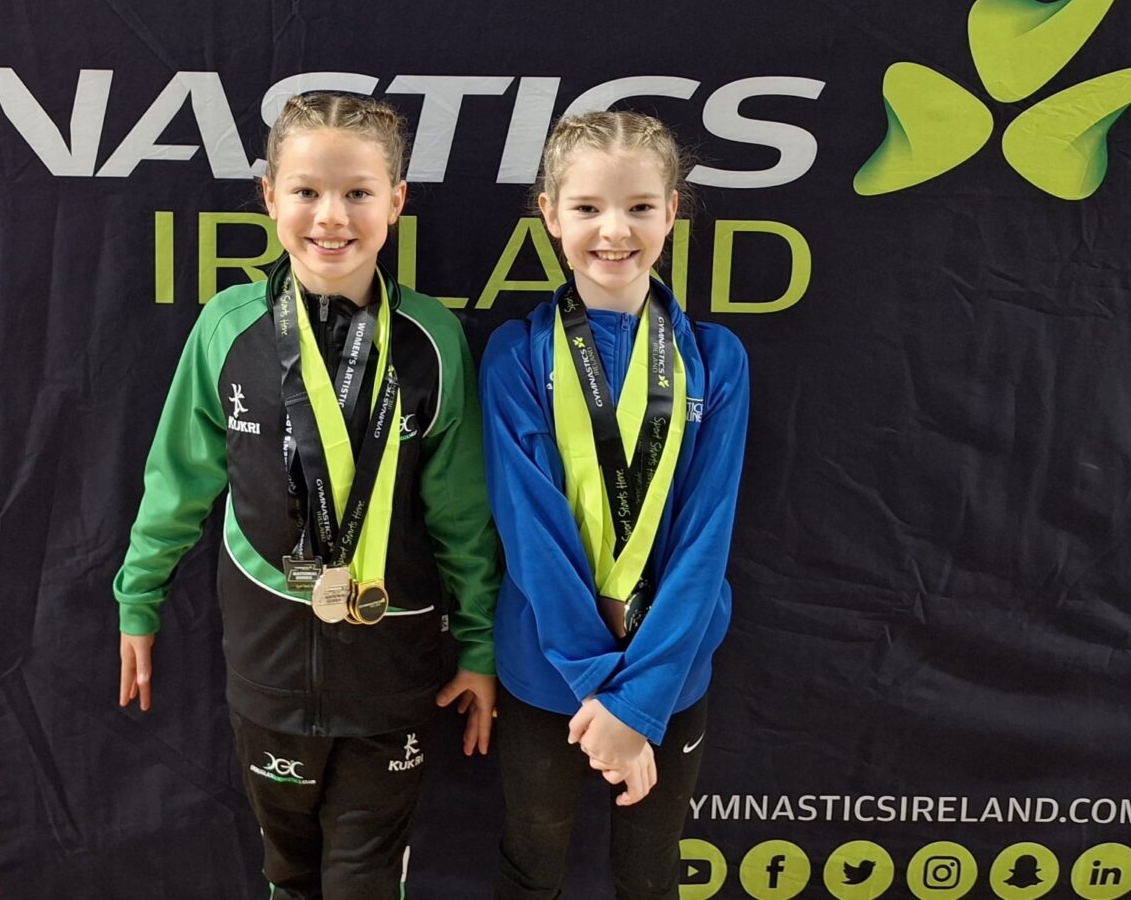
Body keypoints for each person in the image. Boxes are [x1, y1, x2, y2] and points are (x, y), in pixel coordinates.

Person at [114, 92, 500, 900]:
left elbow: (462, 514)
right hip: (269, 671)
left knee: (364, 881)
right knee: (289, 877)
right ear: (269, 195)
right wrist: (139, 598)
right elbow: (178, 481)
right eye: (307, 190)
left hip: (393, 669)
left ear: (396, 200)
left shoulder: (432, 339)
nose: (332, 216)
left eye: (358, 192)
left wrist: (478, 646)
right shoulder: (227, 327)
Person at [480, 111, 749, 900]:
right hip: (546, 670)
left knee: (650, 869)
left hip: (670, 671)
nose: (614, 230)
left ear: (672, 211)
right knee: (531, 862)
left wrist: (640, 701)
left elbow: (705, 537)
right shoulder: (517, 354)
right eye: (588, 207)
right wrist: (601, 684)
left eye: (638, 206)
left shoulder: (717, 359)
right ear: (550, 212)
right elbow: (530, 533)